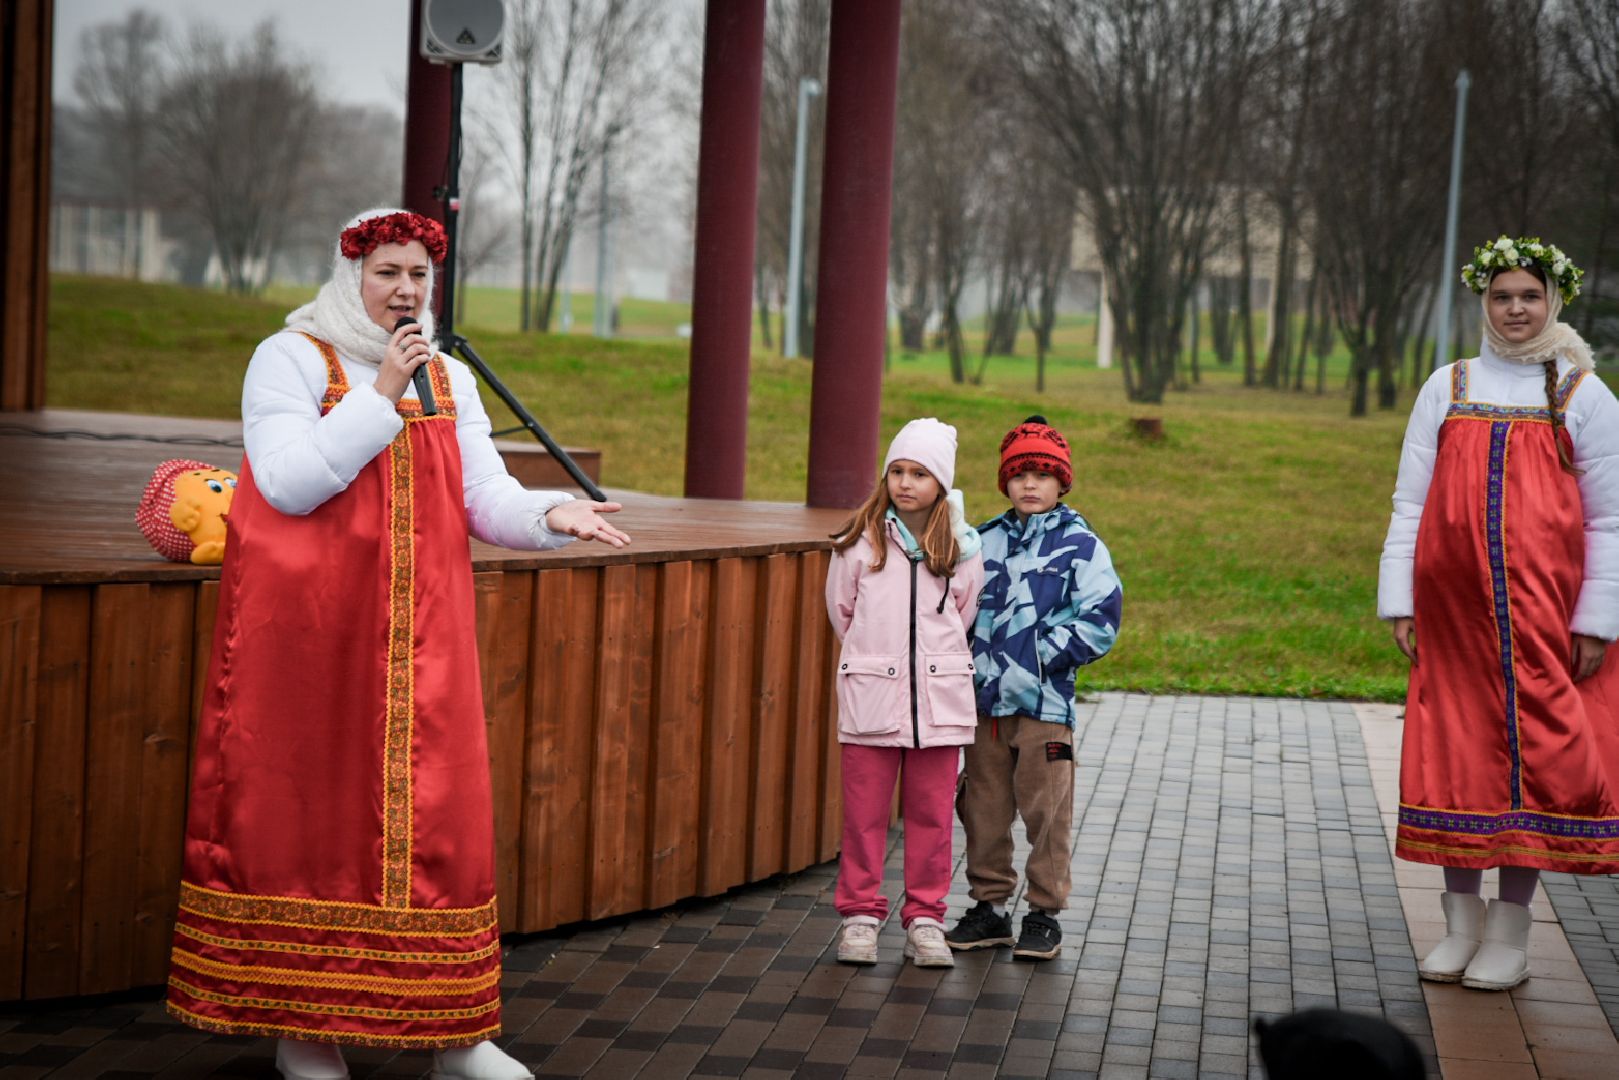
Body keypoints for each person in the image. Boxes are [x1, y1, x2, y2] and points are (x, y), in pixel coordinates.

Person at [165, 208, 630, 1080]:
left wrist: (550, 515)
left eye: (418, 276)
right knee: (306, 823)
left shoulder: (447, 375)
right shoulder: (290, 357)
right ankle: (304, 1033)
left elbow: (483, 495)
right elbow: (292, 483)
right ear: (352, 277)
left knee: (437, 828)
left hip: (425, 638)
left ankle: (453, 1036)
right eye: (387, 274)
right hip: (308, 642)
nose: (406, 291)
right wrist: (379, 394)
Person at [1379, 236, 1619, 991]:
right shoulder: (1446, 385)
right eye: (1500, 296)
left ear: (1553, 301)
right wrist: (1399, 595)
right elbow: (1410, 499)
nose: (1514, 309)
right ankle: (1458, 927)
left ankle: (1510, 936)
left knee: (1532, 762)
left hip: (1543, 622)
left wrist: (1594, 619)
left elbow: (1608, 519)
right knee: (1456, 756)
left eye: (1528, 296)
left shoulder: (1581, 395)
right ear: (1481, 302)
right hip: (1452, 622)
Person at [945, 416, 1122, 960]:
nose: (1030, 485)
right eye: (1020, 474)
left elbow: (1101, 620)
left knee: (1048, 811)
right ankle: (989, 908)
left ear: (1062, 482)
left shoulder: (1082, 546)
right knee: (983, 807)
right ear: (1005, 481)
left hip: (1045, 706)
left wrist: (1038, 655)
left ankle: (1044, 912)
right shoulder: (981, 541)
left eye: (1043, 475)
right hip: (983, 707)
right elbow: (954, 607)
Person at [825, 418, 985, 968]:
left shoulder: (963, 549)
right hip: (871, 704)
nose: (906, 482)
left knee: (933, 820)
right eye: (897, 471)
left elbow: (964, 617)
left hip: (939, 710)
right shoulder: (858, 543)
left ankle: (925, 921)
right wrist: (878, 664)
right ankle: (860, 918)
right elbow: (842, 613)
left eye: (919, 473)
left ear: (941, 482)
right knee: (864, 818)